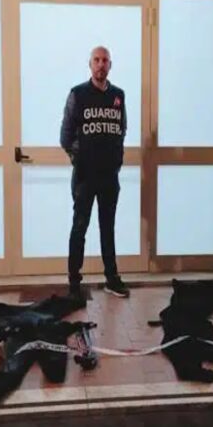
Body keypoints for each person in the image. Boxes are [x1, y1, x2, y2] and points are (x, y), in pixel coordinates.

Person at [60, 46, 130, 298]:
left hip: (109, 176)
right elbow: (65, 136)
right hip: (85, 176)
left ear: (110, 65)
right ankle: (74, 282)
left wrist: (116, 160)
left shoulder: (118, 96)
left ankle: (112, 278)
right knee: (80, 227)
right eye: (96, 60)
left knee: (107, 227)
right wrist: (79, 159)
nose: (101, 64)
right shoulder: (78, 94)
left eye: (105, 60)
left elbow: (122, 130)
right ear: (90, 64)